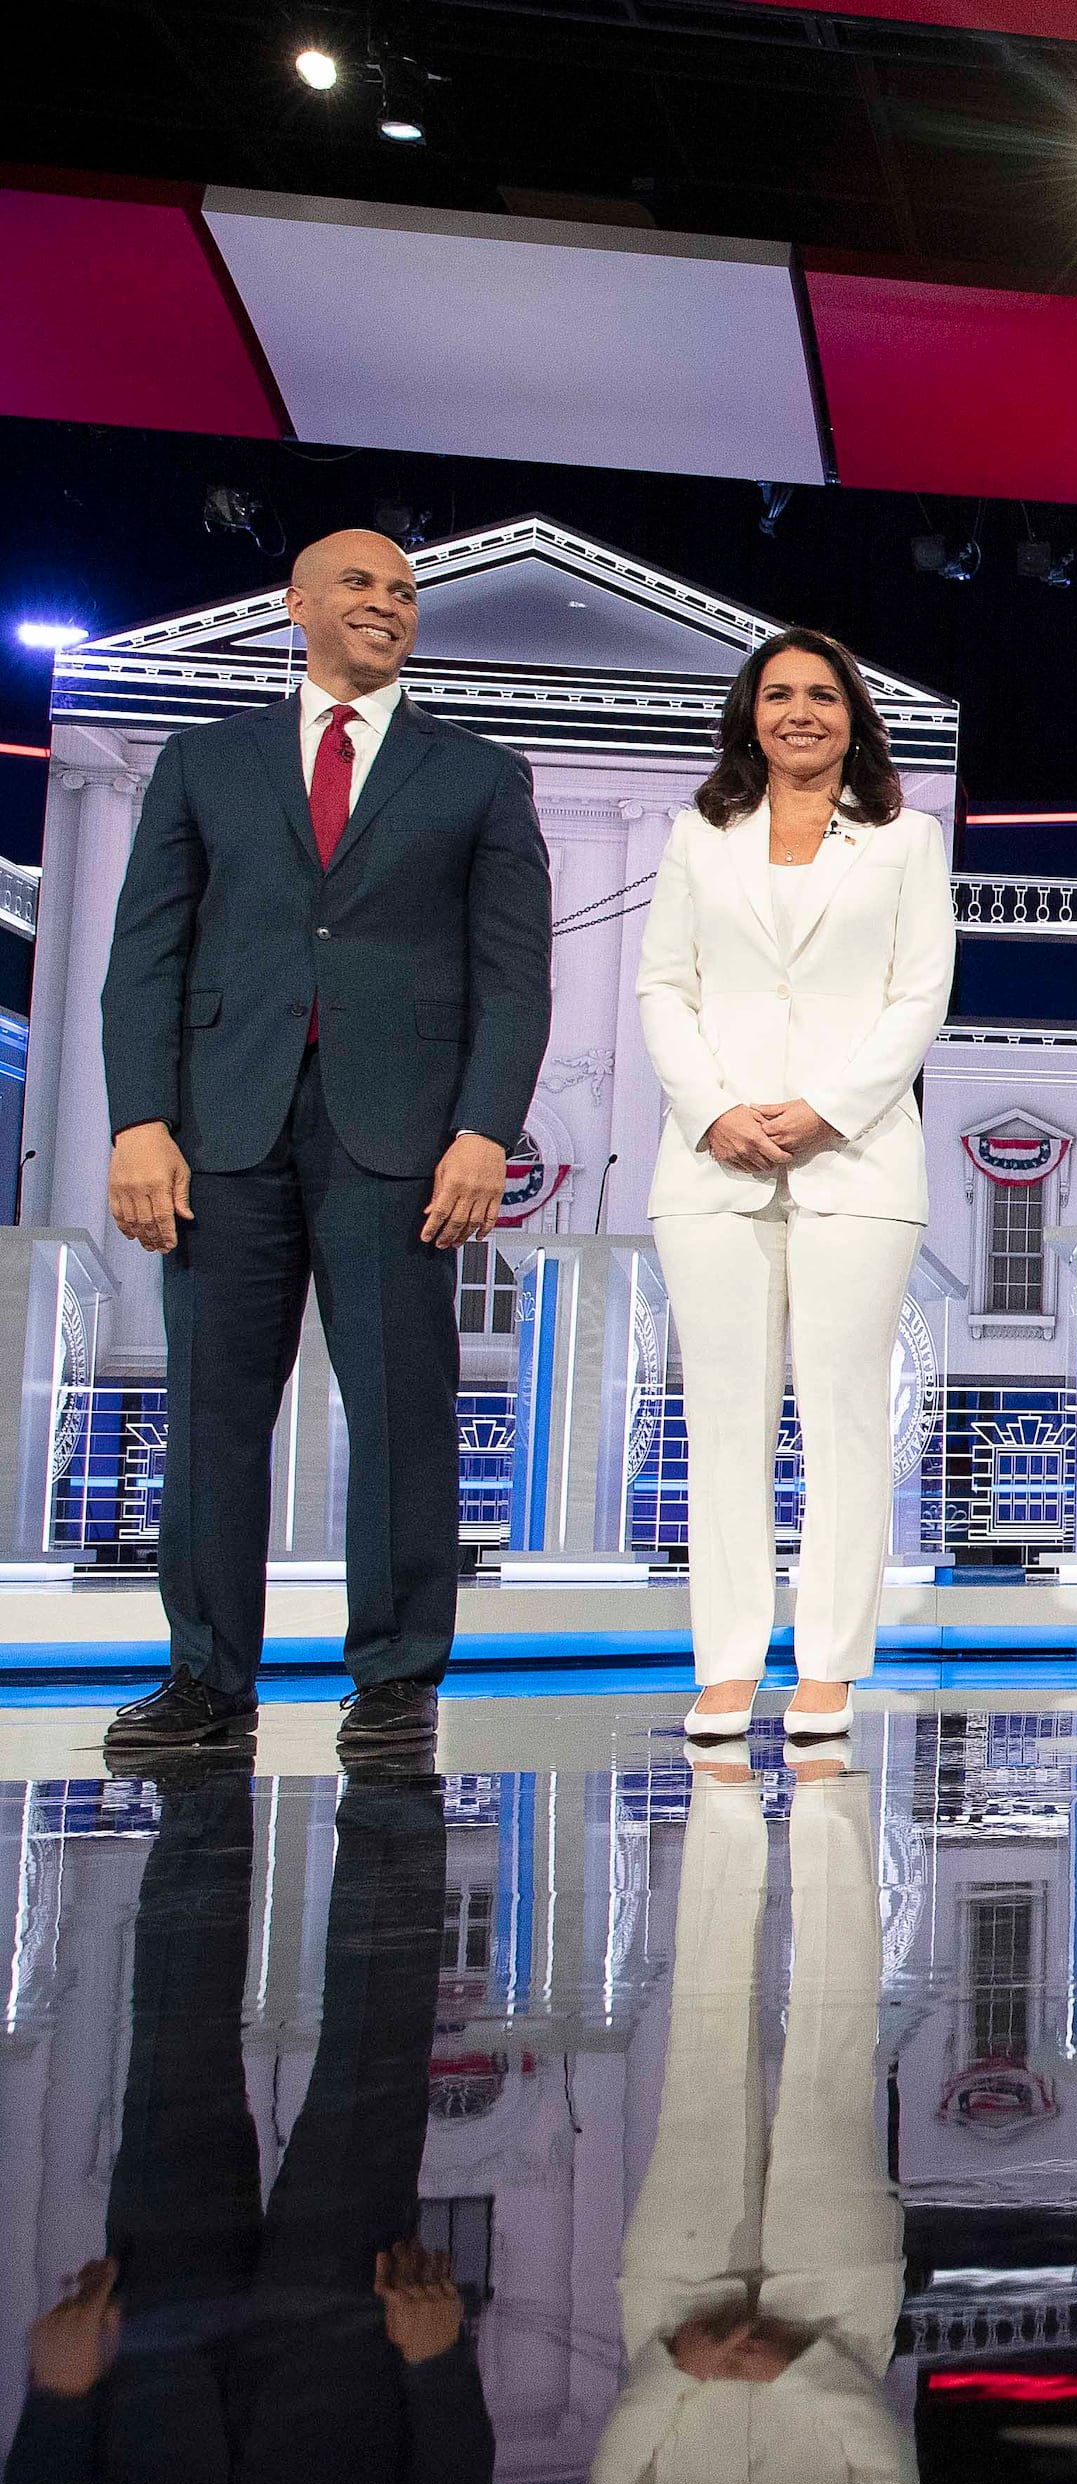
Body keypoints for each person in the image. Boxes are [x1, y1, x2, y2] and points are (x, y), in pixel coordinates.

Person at [96, 526, 551, 1766]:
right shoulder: (204, 763)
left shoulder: (477, 775)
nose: (386, 604)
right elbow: (146, 953)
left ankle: (398, 1680)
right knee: (211, 1411)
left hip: (402, 1139)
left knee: (405, 1410)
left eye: (404, 592)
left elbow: (515, 977)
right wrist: (139, 1117)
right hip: (218, 1127)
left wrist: (484, 1131)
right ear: (295, 603)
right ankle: (204, 1678)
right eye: (359, 583)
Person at [4, 1757, 482, 2484]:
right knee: (376, 2060)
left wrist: (57, 2397)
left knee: (175, 2038)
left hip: (152, 2366)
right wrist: (439, 2371)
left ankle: (201, 1771)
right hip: (348, 2359)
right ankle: (393, 1764)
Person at [635, 630, 957, 1747]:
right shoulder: (696, 837)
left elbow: (918, 996)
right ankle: (725, 1666)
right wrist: (714, 1109)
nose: (802, 712)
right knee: (724, 1422)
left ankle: (827, 1668)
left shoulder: (906, 842)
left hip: (855, 1160)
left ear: (855, 717)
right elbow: (664, 988)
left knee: (843, 1420)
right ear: (750, 714)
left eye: (824, 694)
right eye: (780, 695)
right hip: (712, 1160)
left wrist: (824, 1107)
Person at [591, 1731, 915, 2484]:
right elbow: (887, 2480)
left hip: (676, 2317)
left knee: (701, 2053)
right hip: (834, 2315)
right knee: (836, 2057)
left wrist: (674, 2371)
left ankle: (723, 1790)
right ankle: (828, 1785)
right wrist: (802, 2371)